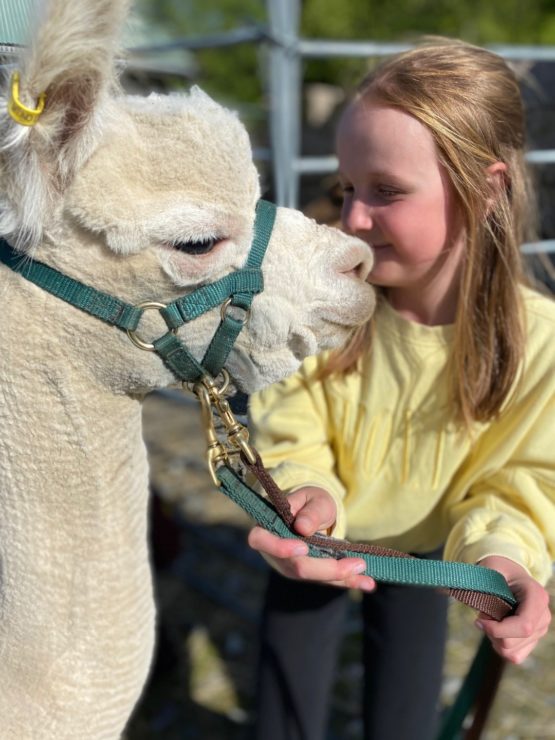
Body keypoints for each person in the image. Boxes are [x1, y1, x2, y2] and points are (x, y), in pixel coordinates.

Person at [246, 38, 554, 740]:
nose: (352, 218)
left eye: (385, 191)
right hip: (314, 539)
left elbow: (522, 483)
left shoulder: (541, 345)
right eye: (349, 188)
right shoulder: (321, 307)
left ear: (486, 187)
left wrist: (497, 565)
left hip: (427, 556)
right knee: (282, 700)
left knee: (406, 714)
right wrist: (302, 487)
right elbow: (288, 412)